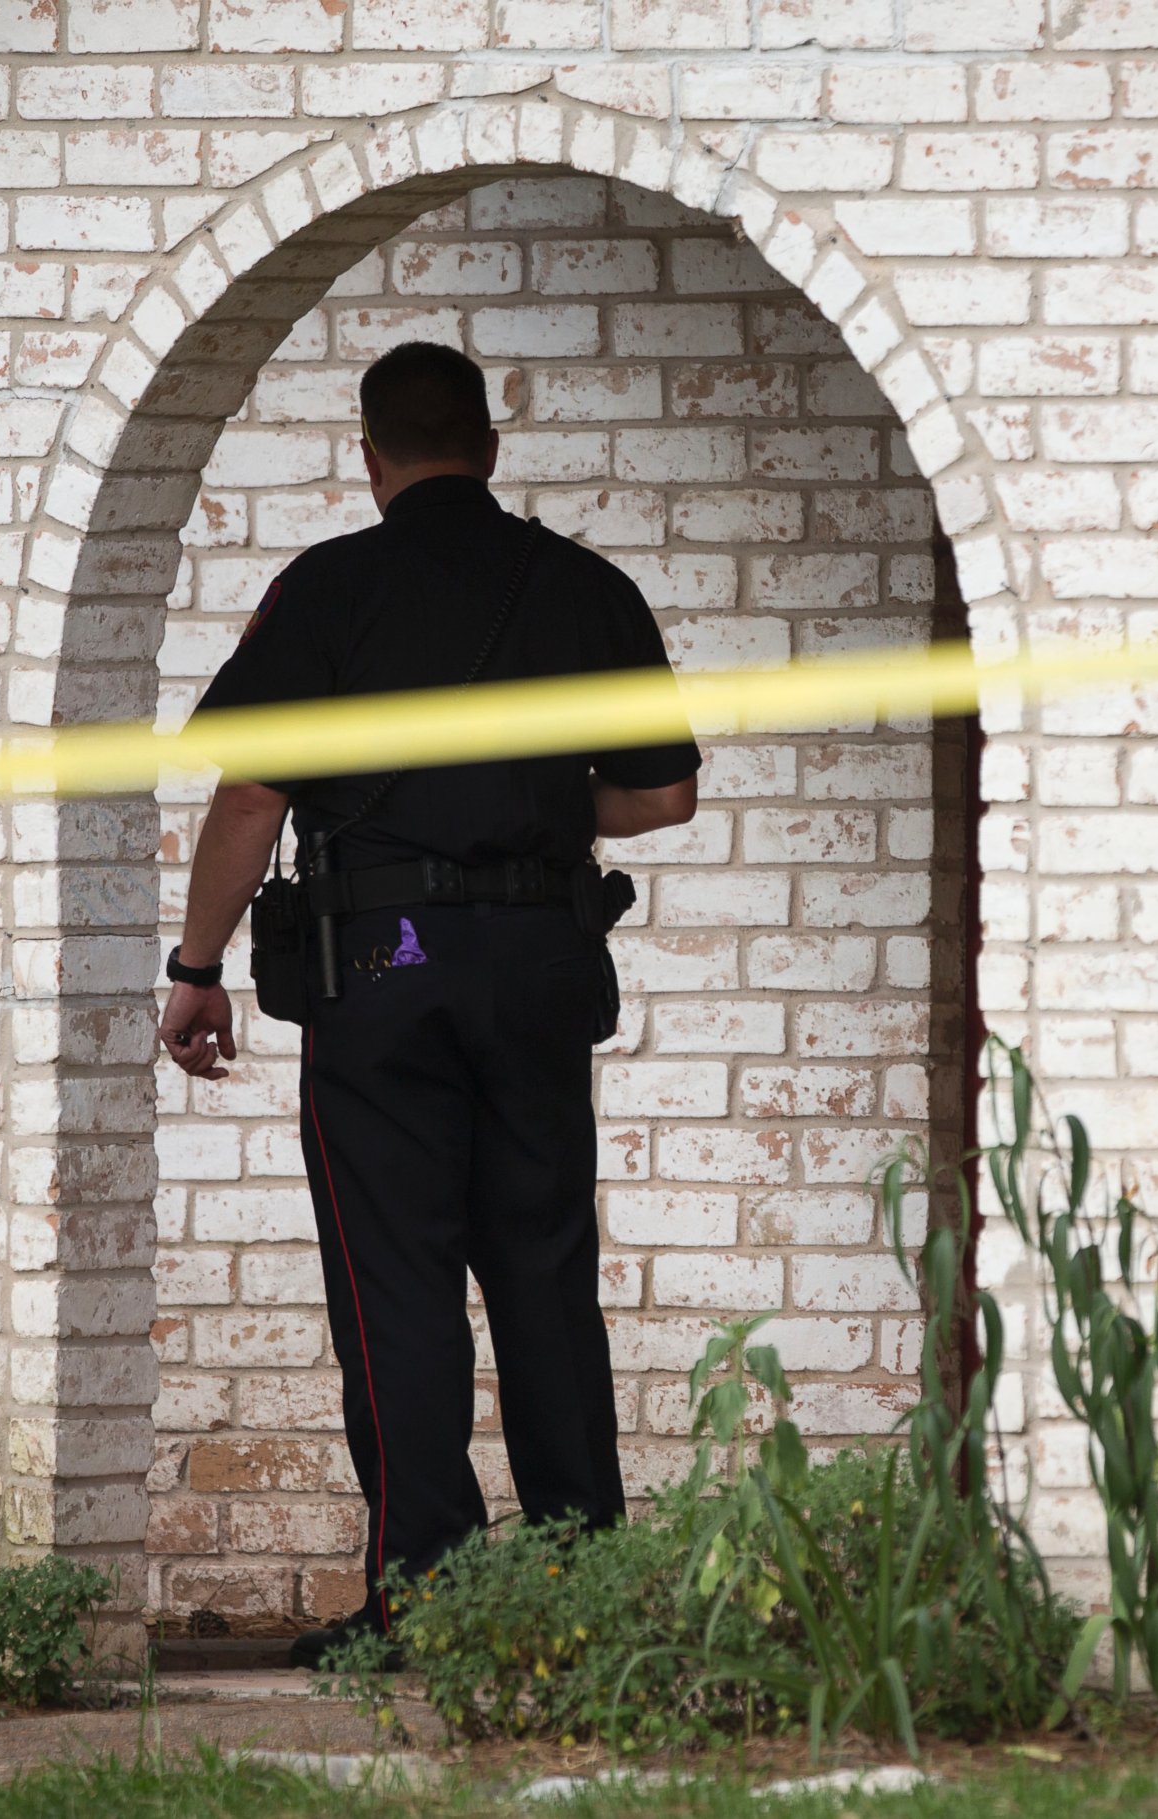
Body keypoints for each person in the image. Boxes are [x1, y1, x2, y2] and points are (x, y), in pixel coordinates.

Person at [155, 341, 701, 1668]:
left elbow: (250, 797)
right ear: (492, 445)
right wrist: (512, 809)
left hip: (379, 971)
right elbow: (665, 797)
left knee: (396, 1289)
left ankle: (428, 1607)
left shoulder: (327, 588)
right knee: (544, 1280)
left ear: (370, 456)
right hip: (535, 963)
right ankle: (590, 1601)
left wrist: (195, 969)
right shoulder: (582, 584)